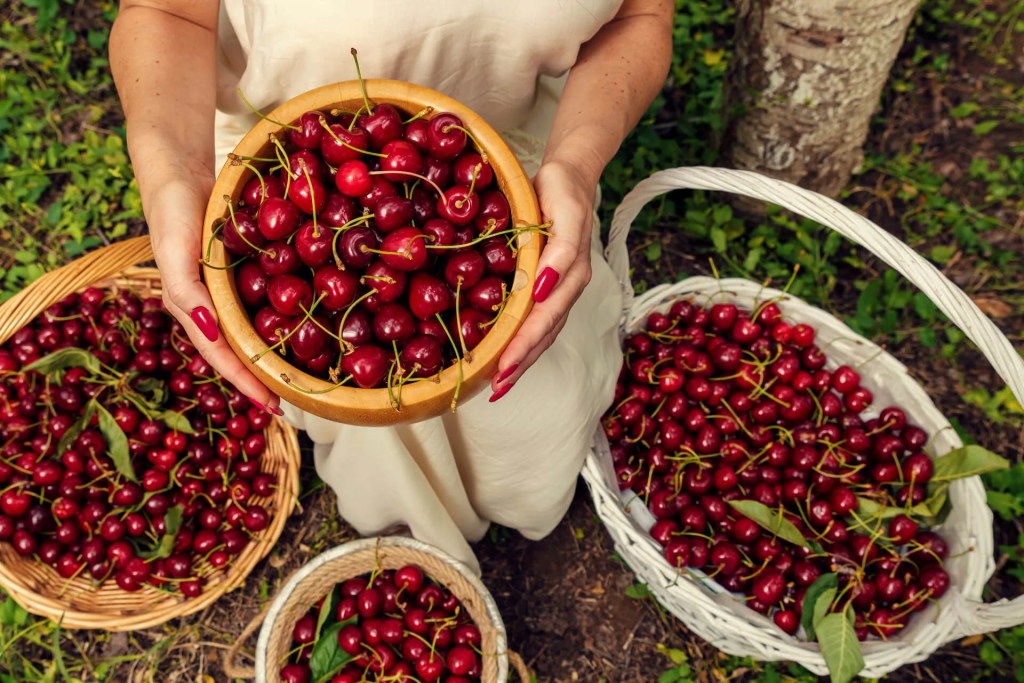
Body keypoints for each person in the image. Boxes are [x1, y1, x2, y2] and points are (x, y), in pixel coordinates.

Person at [109, 0, 673, 574]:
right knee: (358, 397)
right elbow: (165, 12)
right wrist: (173, 173)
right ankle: (401, 519)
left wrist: (575, 166)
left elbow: (641, 18)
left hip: (511, 189)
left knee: (529, 416)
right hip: (283, 161)